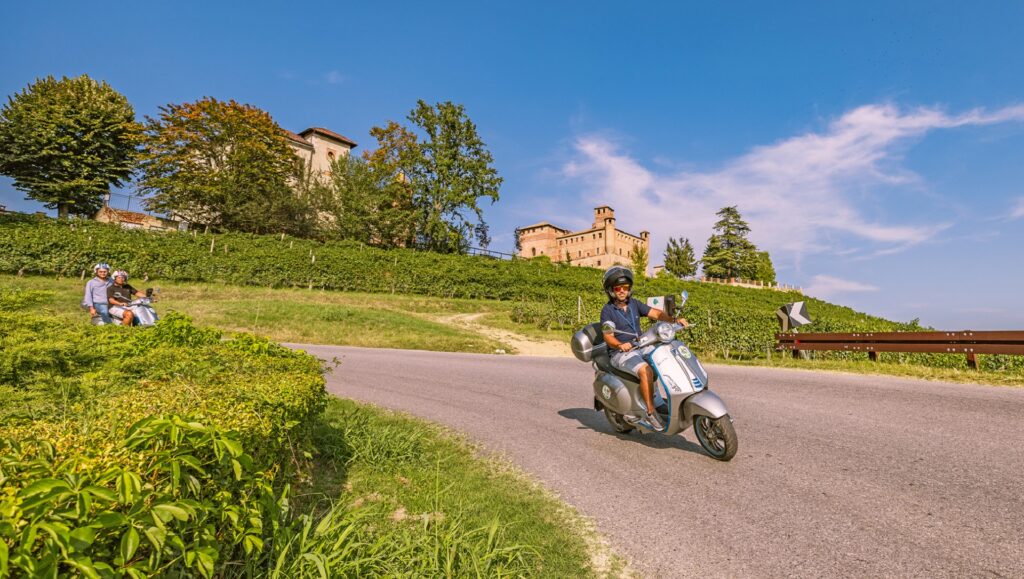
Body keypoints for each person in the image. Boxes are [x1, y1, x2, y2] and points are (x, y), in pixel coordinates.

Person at [600, 265, 687, 431]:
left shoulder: (634, 304)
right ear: (611, 290)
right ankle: (650, 411)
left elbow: (655, 313)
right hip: (620, 353)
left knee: (665, 356)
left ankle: (660, 400)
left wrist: (673, 320)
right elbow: (608, 336)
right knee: (645, 370)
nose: (622, 291)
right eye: (618, 288)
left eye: (625, 287)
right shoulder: (608, 311)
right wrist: (619, 344)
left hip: (640, 346)